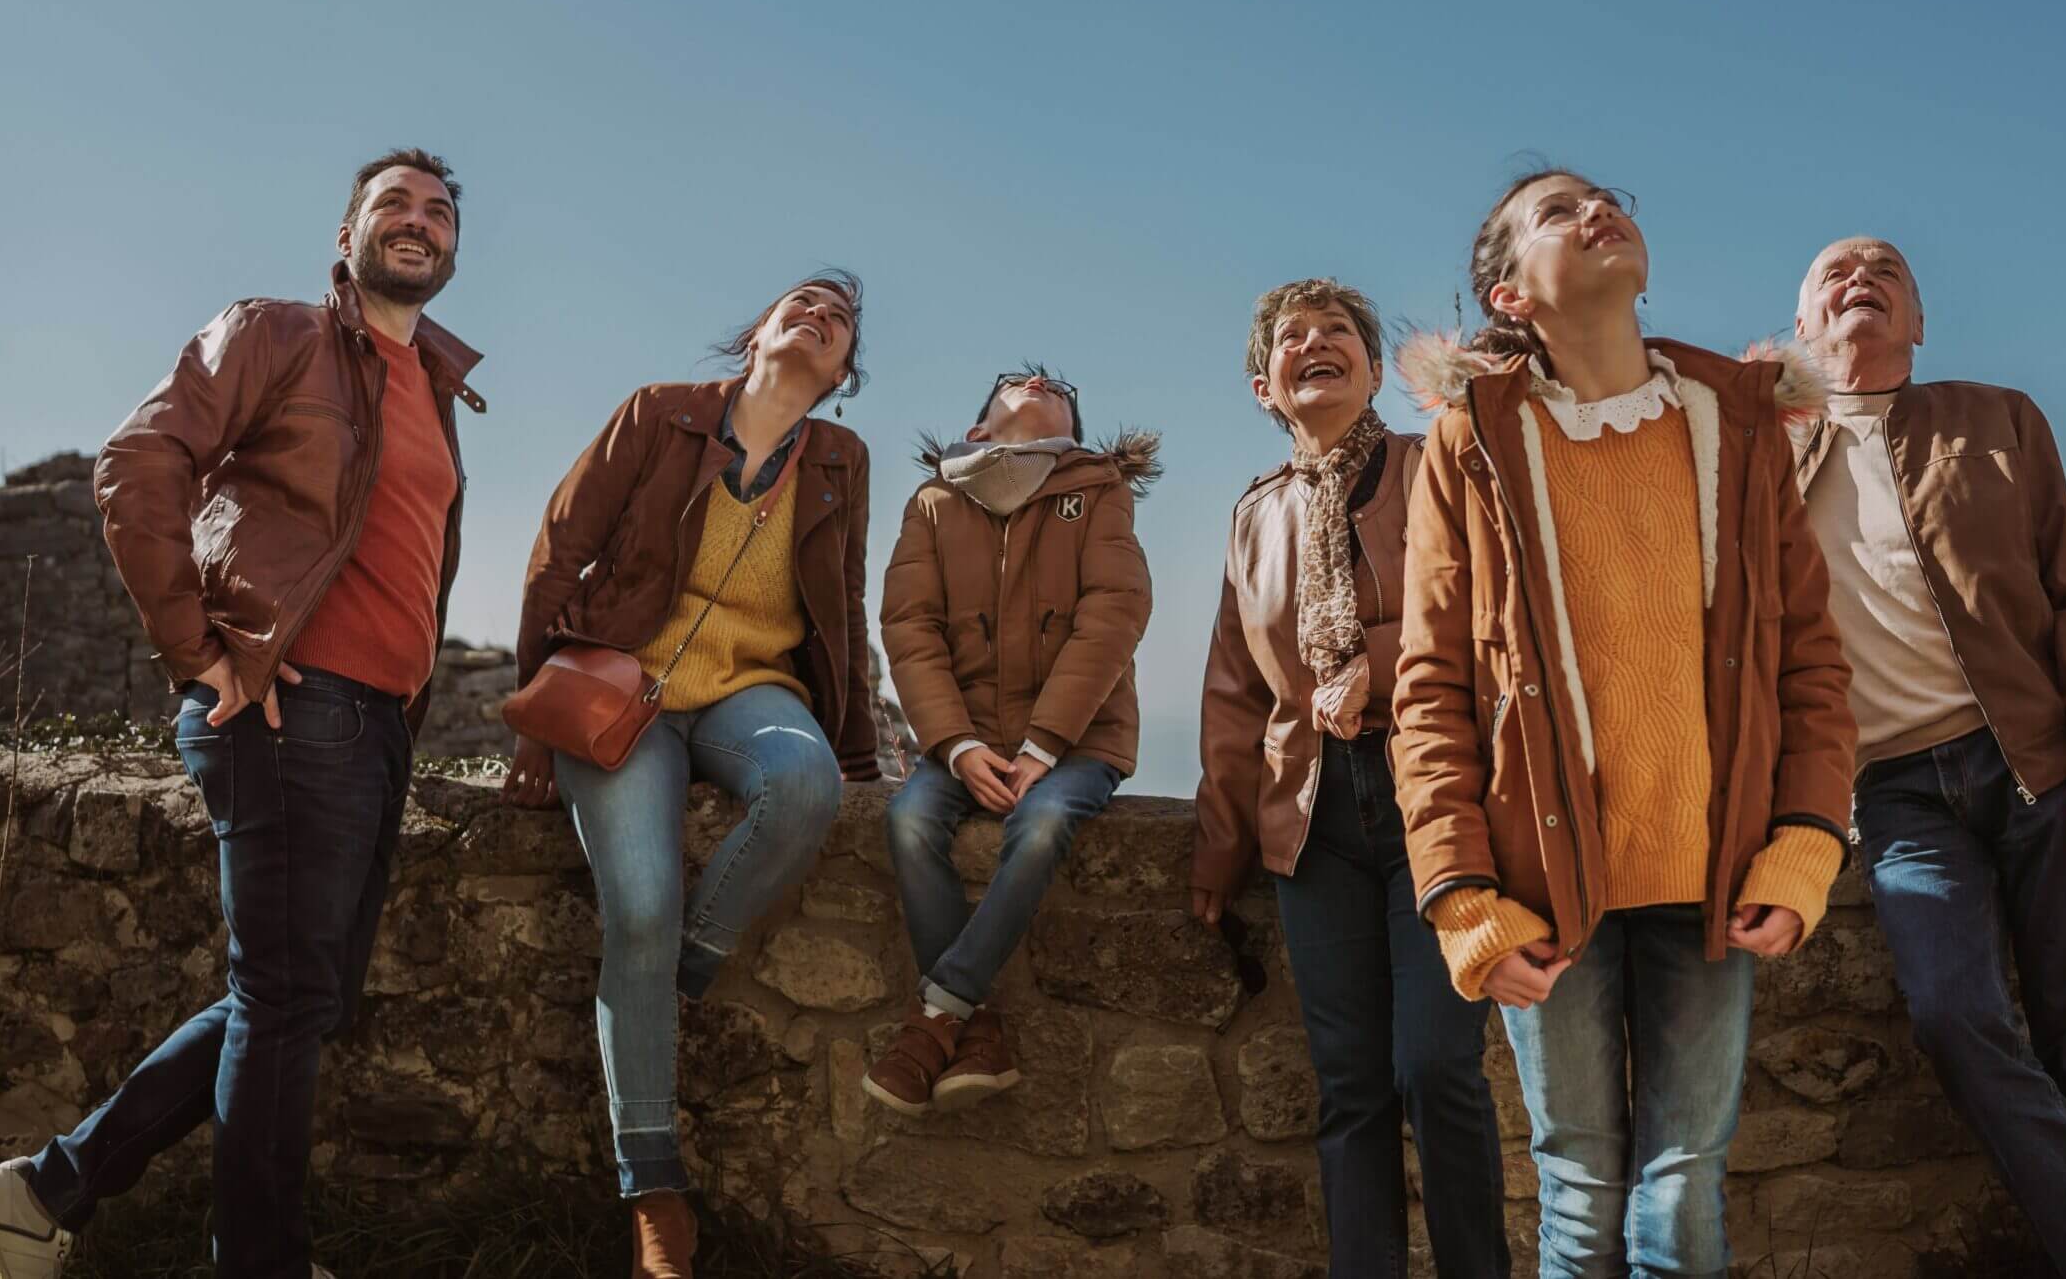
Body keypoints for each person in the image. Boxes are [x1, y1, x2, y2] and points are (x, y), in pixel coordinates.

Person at [0, 152, 482, 1279]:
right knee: (289, 998)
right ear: (344, 234)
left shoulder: (434, 387)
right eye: (393, 203)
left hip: (376, 725)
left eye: (439, 212)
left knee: (299, 999)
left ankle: (44, 1194)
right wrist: (196, 649)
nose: (419, 221)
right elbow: (139, 459)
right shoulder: (275, 333)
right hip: (291, 708)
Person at [1391, 168, 1856, 1278]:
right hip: (1546, 881)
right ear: (1509, 296)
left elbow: (1808, 663)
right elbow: (1430, 689)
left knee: (1683, 1189)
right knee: (1579, 1188)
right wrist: (1461, 898)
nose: (1598, 211)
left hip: (1719, 869)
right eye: (1557, 211)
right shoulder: (1469, 443)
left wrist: (1802, 851)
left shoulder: (1738, 422)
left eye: (1608, 197)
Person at [1791, 236, 2066, 1279]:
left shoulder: (1997, 417)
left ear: (1918, 324)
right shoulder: (1765, 446)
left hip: (2038, 765)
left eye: (1888, 273)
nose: (1862, 278)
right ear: (1801, 325)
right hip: (1894, 792)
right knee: (1956, 1018)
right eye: (1836, 274)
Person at [504, 270, 877, 1279]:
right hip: (621, 683)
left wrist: (856, 754)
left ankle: (683, 967)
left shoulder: (841, 459)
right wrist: (534, 721)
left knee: (803, 790)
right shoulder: (660, 416)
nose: (819, 318)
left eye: (839, 322)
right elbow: (557, 551)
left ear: (842, 372)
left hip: (753, 689)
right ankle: (653, 1186)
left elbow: (840, 608)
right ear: (753, 335)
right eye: (801, 303)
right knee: (636, 908)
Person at [1193, 280, 1510, 1279]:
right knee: (1351, 1088)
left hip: (1437, 797)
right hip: (1312, 821)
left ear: (1375, 371)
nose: (1316, 345)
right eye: (1294, 339)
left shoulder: (1434, 467)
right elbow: (1234, 692)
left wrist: (1375, 659)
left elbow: (1488, 607)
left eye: (1339, 334)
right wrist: (1218, 850)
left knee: (1436, 1068)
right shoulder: (1253, 516)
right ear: (1263, 387)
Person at [867, 368, 1154, 1113]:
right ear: (981, 429)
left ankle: (938, 1013)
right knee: (907, 818)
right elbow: (909, 626)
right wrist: (957, 744)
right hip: (961, 739)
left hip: (1079, 742)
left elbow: (1114, 613)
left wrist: (1044, 745)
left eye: (1056, 384)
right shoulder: (933, 503)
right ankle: (977, 1029)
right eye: (1013, 381)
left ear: (1070, 433)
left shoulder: (1098, 494)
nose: (1034, 378)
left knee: (1045, 822)